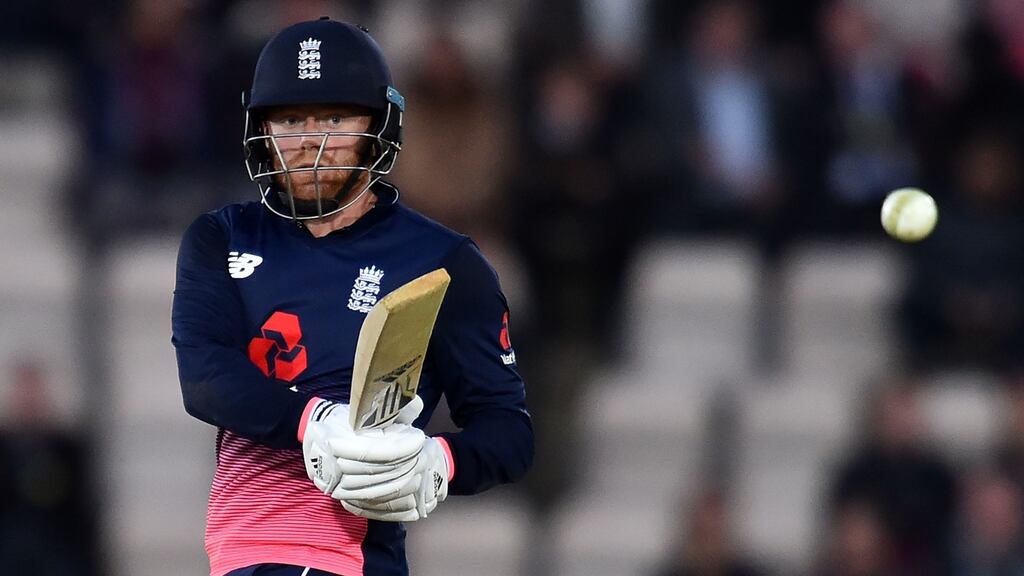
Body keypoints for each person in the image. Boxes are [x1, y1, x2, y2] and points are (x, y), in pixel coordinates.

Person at [171, 18, 533, 576]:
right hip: (238, 557)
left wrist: (437, 462)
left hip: (352, 559)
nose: (310, 141)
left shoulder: (441, 261)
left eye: (335, 118)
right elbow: (204, 376)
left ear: (377, 128)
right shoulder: (221, 237)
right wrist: (315, 423)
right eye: (291, 119)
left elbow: (509, 431)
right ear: (262, 129)